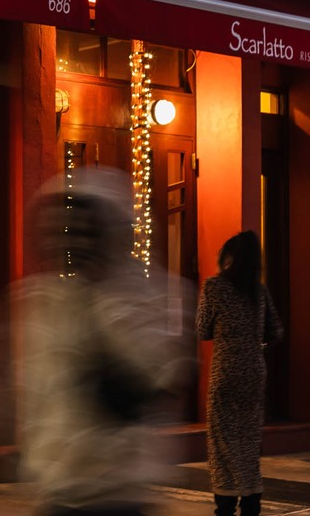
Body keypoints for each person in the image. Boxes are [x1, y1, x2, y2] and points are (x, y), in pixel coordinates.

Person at [16, 167, 181, 516]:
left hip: (115, 492)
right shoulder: (42, 298)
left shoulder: (140, 300)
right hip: (59, 488)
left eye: (82, 231)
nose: (67, 243)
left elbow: (140, 390)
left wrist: (97, 309)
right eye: (60, 231)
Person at [196, 230, 284, 516]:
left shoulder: (214, 287)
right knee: (248, 439)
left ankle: (225, 504)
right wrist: (254, 344)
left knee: (222, 439)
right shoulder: (259, 291)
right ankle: (251, 503)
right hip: (254, 371)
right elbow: (277, 331)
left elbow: (202, 330)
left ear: (229, 257)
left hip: (225, 371)